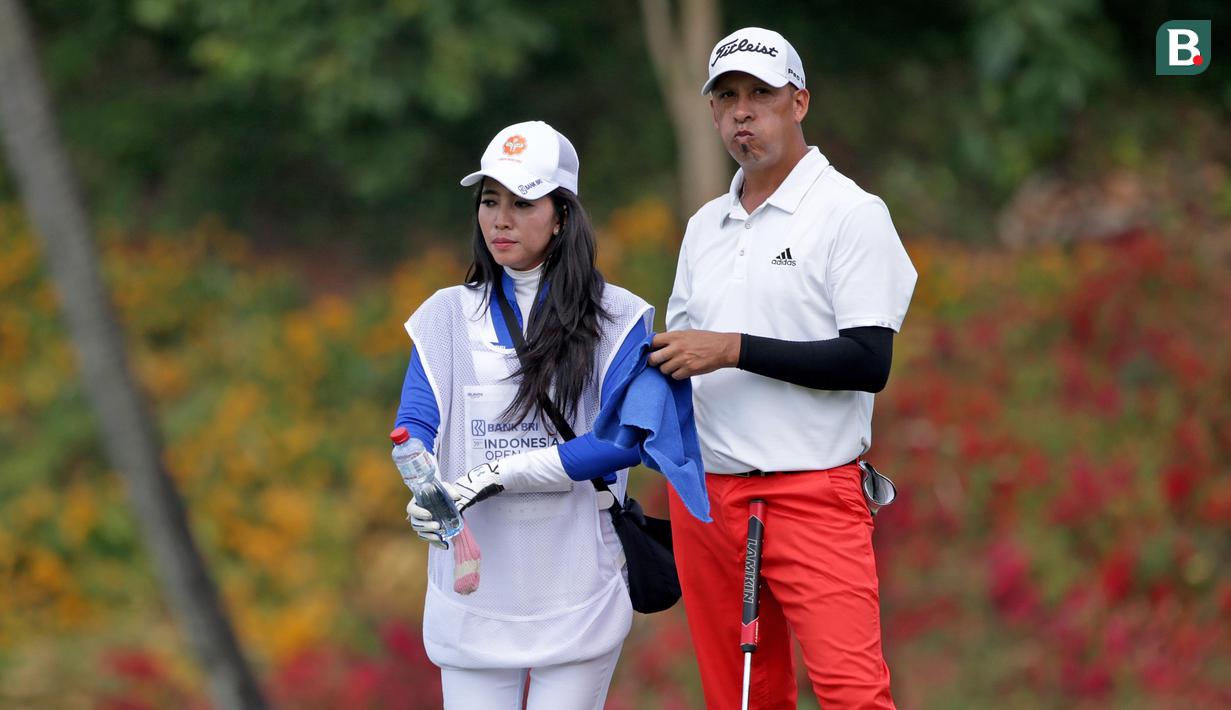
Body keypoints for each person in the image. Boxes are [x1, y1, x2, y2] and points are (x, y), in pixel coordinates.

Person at [648, 27, 918, 709]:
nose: (743, 112)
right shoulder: (702, 227)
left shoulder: (850, 214)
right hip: (707, 500)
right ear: (711, 112)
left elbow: (867, 360)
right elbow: (683, 354)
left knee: (852, 694)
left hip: (813, 493)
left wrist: (733, 347)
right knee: (741, 697)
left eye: (761, 95)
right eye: (727, 97)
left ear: (798, 102)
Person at [393, 120, 657, 709]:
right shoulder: (445, 315)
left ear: (562, 214)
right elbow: (415, 422)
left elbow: (620, 442)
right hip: (472, 594)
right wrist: (422, 479)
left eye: (522, 202)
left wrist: (497, 473)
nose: (500, 219)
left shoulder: (620, 318)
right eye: (489, 201)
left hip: (577, 585)